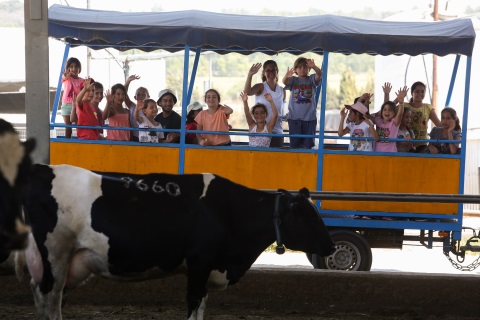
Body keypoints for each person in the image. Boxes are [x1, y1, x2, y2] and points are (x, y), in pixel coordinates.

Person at [384, 81, 441, 152]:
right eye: (417, 91)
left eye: (422, 92)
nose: (420, 94)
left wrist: (453, 129)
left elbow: (439, 125)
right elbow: (388, 109)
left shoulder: (428, 107)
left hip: (421, 144)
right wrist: (398, 99)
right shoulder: (404, 105)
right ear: (412, 93)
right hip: (403, 143)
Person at [282, 57, 322, 149]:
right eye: (299, 67)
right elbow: (285, 81)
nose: (302, 69)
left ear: (309, 69)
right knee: (295, 145)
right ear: (295, 69)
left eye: (305, 67)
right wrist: (286, 76)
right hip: (294, 118)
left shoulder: (311, 79)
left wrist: (314, 66)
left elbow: (319, 74)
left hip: (309, 118)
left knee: (307, 145)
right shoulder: (293, 80)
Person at [244, 60, 286, 147]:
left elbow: (280, 111)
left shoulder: (282, 90)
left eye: (273, 70)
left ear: (277, 71)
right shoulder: (261, 87)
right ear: (264, 73)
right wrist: (250, 75)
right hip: (261, 131)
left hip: (277, 132)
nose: (271, 73)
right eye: (268, 70)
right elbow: (247, 92)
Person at [373, 88, 406, 152]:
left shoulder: (394, 123)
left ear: (394, 113)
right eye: (385, 110)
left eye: (390, 110)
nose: (387, 111)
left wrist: (401, 103)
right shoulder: (379, 122)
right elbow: (366, 116)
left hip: (390, 154)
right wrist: (386, 94)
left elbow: (400, 114)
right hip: (377, 153)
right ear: (381, 112)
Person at [60, 57, 84, 139]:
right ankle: (67, 147)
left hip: (77, 105)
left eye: (76, 66)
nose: (74, 68)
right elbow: (63, 77)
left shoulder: (82, 81)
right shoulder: (67, 78)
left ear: (79, 68)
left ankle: (79, 145)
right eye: (71, 66)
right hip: (67, 105)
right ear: (68, 69)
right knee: (68, 129)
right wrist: (65, 74)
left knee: (79, 127)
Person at [125, 74, 150, 142]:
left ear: (148, 96)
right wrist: (128, 81)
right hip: (133, 137)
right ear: (135, 97)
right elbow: (124, 95)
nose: (140, 96)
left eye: (143, 94)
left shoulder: (150, 109)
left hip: (146, 137)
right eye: (138, 95)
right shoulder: (132, 106)